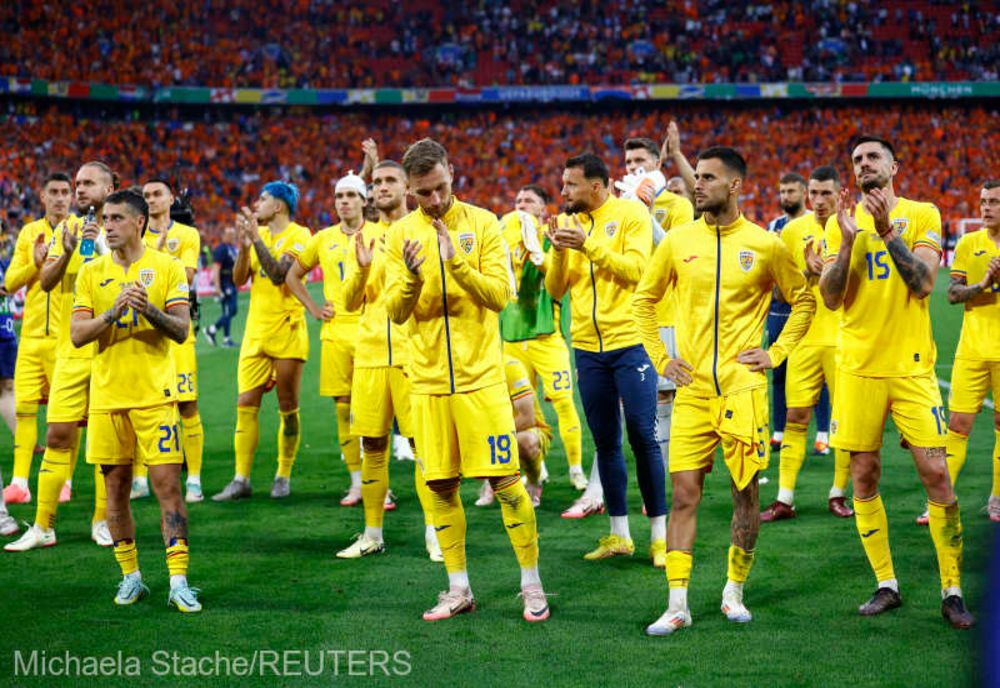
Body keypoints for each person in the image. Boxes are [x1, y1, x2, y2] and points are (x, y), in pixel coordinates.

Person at [635, 146, 815, 635]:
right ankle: (677, 604)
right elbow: (644, 301)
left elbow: (803, 301)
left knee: (745, 494)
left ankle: (733, 591)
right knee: (683, 495)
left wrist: (775, 353)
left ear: (735, 185)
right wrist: (662, 359)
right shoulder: (678, 241)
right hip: (693, 391)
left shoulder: (765, 245)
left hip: (743, 392)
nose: (698, 184)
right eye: (698, 176)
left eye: (709, 177)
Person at [385, 138, 548, 622]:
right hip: (428, 384)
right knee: (439, 488)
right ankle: (458, 589)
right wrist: (413, 278)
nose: (433, 200)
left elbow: (499, 296)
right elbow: (396, 312)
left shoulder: (483, 224)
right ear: (411, 191)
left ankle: (532, 584)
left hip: (482, 382)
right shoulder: (399, 235)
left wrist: (455, 261)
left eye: (439, 187)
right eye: (422, 193)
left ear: (451, 172)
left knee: (507, 484)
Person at [820, 134, 974, 629]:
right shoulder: (839, 223)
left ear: (894, 166)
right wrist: (847, 243)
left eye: (873, 157)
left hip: (912, 370)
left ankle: (952, 590)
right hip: (857, 368)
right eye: (857, 159)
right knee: (864, 476)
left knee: (937, 474)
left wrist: (887, 230)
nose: (864, 164)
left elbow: (925, 284)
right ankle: (886, 584)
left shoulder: (922, 213)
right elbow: (831, 297)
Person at [70, 188, 200, 612]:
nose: (107, 226)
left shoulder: (167, 267)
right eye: (105, 219)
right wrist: (111, 312)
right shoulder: (91, 272)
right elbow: (77, 334)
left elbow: (181, 329)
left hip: (155, 397)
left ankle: (178, 581)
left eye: (116, 219)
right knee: (115, 491)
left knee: (168, 488)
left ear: (138, 222)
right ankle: (131, 577)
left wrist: (148, 310)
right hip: (107, 399)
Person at [544, 153, 667, 567]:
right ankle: (620, 535)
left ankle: (660, 538)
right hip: (587, 348)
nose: (564, 191)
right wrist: (559, 251)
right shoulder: (569, 223)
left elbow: (638, 270)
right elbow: (555, 290)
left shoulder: (631, 215)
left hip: (631, 343)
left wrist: (588, 245)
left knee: (643, 435)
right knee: (606, 441)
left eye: (571, 184)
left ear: (595, 186)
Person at [333, 159, 441, 561]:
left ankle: (435, 532)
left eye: (390, 180)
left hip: (416, 354)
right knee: (373, 446)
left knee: (422, 447)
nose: (381, 186)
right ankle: (372, 534)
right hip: (371, 355)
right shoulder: (362, 238)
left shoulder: (425, 230)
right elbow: (347, 302)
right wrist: (361, 271)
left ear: (407, 187)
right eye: (376, 181)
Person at [5, 162, 114, 552]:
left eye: (86, 184)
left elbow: (125, 275)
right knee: (57, 436)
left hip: (106, 352)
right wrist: (65, 253)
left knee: (104, 441)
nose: (78, 190)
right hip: (69, 352)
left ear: (108, 188)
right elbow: (48, 281)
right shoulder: (69, 230)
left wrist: (100, 246)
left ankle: (102, 520)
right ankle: (43, 526)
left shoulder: (120, 226)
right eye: (76, 184)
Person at [760, 166, 854, 521]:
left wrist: (829, 272)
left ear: (840, 194)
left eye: (826, 193)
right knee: (796, 416)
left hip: (844, 338)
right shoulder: (792, 231)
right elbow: (779, 290)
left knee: (843, 422)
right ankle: (784, 498)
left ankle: (838, 493)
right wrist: (807, 273)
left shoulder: (853, 228)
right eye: (813, 193)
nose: (819, 200)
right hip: (804, 338)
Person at [212, 182, 310, 501]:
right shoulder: (259, 235)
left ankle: (283, 473)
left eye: (263, 199)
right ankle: (241, 479)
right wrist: (244, 247)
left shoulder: (300, 235)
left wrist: (255, 238)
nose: (257, 203)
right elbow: (240, 279)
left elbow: (280, 275)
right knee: (245, 404)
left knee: (287, 407)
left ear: (279, 206)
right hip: (256, 333)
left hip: (287, 331)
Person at [286, 172, 377, 507]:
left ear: (364, 201)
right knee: (343, 410)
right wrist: (313, 307)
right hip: (336, 334)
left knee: (376, 410)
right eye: (340, 196)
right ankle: (357, 482)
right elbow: (293, 275)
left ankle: (378, 482)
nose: (344, 201)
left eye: (351, 195)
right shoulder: (323, 238)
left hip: (372, 333)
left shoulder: (380, 233)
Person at [495, 183, 585, 501]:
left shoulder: (553, 238)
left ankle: (576, 469)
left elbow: (557, 277)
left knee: (563, 402)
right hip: (512, 339)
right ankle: (536, 468)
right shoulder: (503, 241)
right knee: (522, 410)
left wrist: (538, 252)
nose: (521, 204)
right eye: (518, 199)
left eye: (529, 200)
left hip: (547, 337)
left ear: (543, 210)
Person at [129, 179, 204, 503]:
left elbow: (186, 278)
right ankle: (139, 479)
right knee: (140, 405)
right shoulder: (135, 236)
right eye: (146, 195)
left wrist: (156, 255)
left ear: (171, 199)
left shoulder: (187, 235)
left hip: (177, 332)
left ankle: (194, 481)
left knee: (187, 404)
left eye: (157, 194)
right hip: (143, 333)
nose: (152, 199)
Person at [2, 172, 71, 504]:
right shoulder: (29, 233)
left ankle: (64, 480)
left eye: (65, 192)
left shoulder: (81, 232)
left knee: (64, 415)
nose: (59, 197)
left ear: (71, 197)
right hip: (30, 338)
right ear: (43, 197)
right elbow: (10, 282)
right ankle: (20, 484)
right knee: (25, 411)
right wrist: (35, 263)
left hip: (64, 338)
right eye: (53, 192)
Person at [935, 180, 1000, 523]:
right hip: (972, 349)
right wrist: (983, 285)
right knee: (958, 425)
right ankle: (941, 499)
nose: (986, 208)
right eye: (984, 201)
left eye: (994, 202)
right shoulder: (968, 243)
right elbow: (952, 294)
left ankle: (997, 498)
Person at [765, 173, 812, 452]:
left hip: (810, 309)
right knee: (779, 372)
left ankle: (823, 434)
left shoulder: (816, 224)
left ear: (804, 192)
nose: (786, 196)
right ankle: (779, 431)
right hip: (779, 310)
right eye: (782, 191)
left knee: (817, 375)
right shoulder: (774, 226)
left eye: (791, 191)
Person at [205, 225, 239, 347]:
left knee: (229, 311)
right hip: (225, 283)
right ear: (223, 235)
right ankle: (212, 330)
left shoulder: (232, 248)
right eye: (230, 234)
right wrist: (217, 287)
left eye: (233, 234)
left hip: (231, 282)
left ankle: (225, 338)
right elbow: (216, 268)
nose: (232, 236)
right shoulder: (221, 249)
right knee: (231, 309)